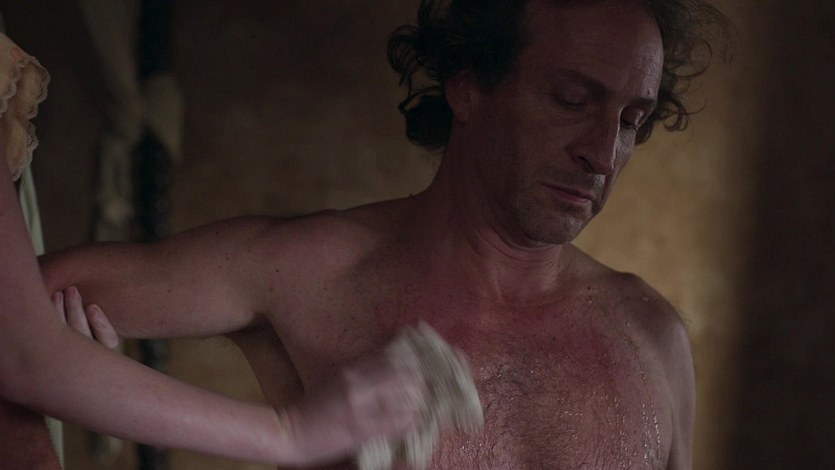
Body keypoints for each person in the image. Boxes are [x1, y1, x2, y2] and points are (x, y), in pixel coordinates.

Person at [42, 0, 732, 468]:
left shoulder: (652, 337)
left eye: (632, 121)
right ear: (468, 85)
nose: (603, 153)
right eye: (572, 101)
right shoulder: (313, 271)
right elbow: (19, 313)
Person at [0, 33, 433, 470]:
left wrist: (75, 369)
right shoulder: (312, 262)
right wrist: (290, 434)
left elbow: (27, 333)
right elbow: (23, 332)